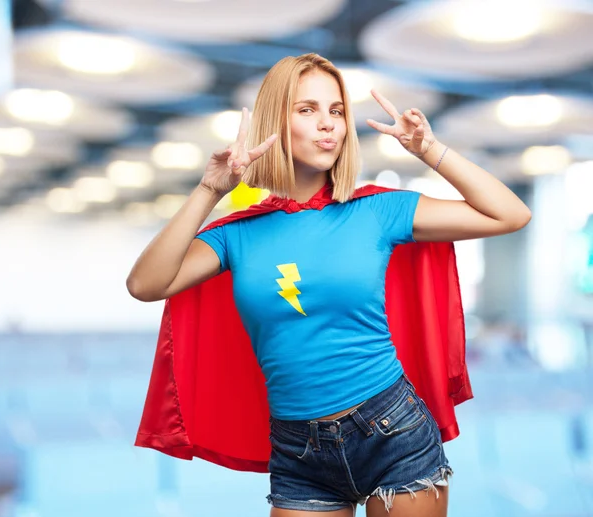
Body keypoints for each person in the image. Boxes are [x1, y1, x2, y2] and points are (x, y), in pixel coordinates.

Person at [126, 53, 531, 517]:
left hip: (394, 431)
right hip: (299, 452)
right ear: (276, 122)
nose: (328, 125)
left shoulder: (376, 211)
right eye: (307, 110)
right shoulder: (235, 234)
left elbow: (511, 214)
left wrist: (429, 151)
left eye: (336, 111)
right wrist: (210, 189)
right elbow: (145, 283)